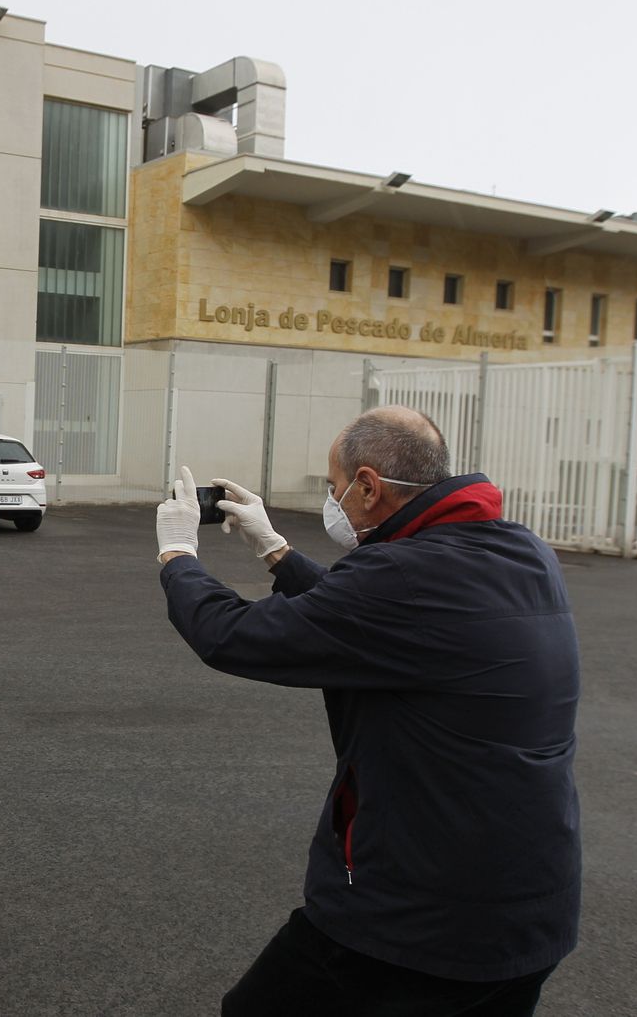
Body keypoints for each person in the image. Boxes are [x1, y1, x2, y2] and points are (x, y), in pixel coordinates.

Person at [154, 406, 580, 1017]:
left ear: (370, 486)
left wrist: (178, 556)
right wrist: (275, 551)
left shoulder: (402, 573)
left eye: (335, 488)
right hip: (531, 904)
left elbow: (235, 636)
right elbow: (382, 623)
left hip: (418, 918)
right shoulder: (520, 552)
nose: (335, 502)